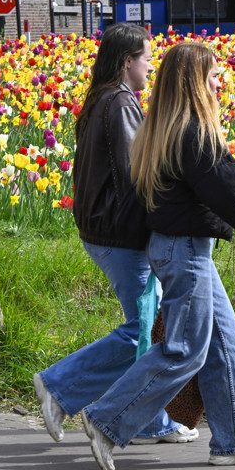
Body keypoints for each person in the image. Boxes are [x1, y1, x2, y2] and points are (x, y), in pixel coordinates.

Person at [78, 42, 235, 470]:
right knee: (185, 352)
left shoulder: (160, 128)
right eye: (214, 76)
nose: (221, 83)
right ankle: (106, 419)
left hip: (177, 246)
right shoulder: (194, 133)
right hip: (185, 252)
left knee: (226, 346)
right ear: (195, 83)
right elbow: (232, 195)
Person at [32, 23, 198, 446]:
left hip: (101, 229)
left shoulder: (101, 99)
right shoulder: (121, 103)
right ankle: (60, 387)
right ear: (128, 61)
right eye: (146, 59)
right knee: (143, 332)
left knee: (148, 329)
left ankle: (149, 419)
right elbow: (136, 173)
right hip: (120, 235)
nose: (150, 68)